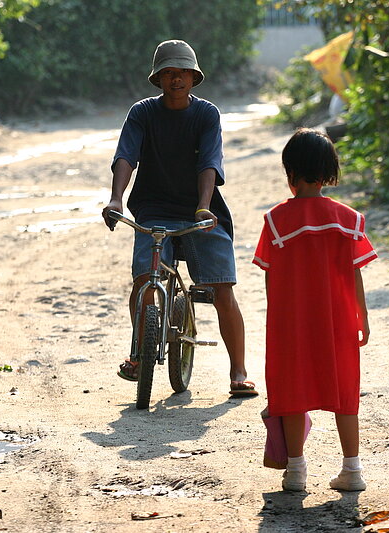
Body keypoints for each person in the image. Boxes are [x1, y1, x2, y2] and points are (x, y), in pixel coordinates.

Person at [101, 40, 256, 397]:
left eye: (182, 72)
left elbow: (210, 163)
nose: (176, 79)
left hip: (201, 210)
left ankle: (239, 371)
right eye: (168, 73)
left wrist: (204, 206)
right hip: (153, 211)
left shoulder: (206, 114)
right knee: (143, 281)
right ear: (158, 79)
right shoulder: (142, 113)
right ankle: (139, 353)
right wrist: (115, 199)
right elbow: (126, 155)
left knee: (222, 289)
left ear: (193, 76)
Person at [253, 128, 376, 491]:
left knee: (291, 389)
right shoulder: (348, 219)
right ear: (329, 172)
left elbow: (270, 278)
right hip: (339, 320)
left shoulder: (276, 221)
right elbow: (355, 275)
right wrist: (362, 318)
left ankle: (296, 470)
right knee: (345, 390)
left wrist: (276, 320)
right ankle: (352, 470)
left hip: (291, 322)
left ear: (290, 172)